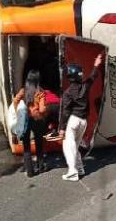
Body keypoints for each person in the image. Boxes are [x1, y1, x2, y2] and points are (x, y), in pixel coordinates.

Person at [59, 53, 104, 181]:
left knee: (68, 146)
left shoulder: (68, 93)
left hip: (73, 121)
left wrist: (62, 128)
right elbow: (92, 77)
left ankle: (72, 172)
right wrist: (96, 65)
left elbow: (65, 111)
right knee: (75, 146)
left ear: (69, 77)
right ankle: (79, 168)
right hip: (83, 122)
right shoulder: (85, 86)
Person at [12, 69, 61, 177]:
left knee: (26, 147)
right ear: (37, 80)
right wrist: (42, 111)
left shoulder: (23, 90)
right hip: (37, 120)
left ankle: (30, 171)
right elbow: (43, 109)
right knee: (39, 143)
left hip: (25, 120)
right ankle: (41, 166)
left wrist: (18, 112)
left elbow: (15, 101)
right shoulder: (40, 92)